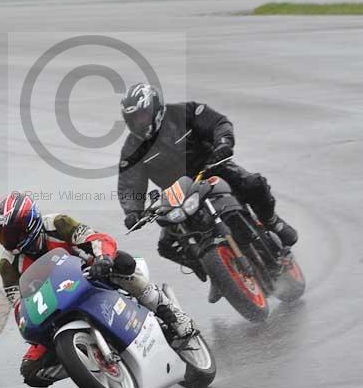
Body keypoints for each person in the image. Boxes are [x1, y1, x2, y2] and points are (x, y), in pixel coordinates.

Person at [0, 191, 195, 388]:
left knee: (123, 262)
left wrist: (103, 258)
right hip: (53, 308)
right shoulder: (7, 265)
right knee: (31, 372)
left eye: (14, 232)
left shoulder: (57, 224)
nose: (10, 240)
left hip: (89, 275)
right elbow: (19, 305)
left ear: (31, 222)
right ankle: (85, 364)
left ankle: (172, 315)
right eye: (3, 235)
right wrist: (30, 326)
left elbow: (96, 238)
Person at [117, 84, 298, 299]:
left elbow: (218, 123)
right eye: (134, 118)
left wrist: (223, 143)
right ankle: (216, 273)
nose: (139, 122)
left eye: (142, 115)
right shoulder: (132, 148)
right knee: (167, 246)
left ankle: (271, 221)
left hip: (213, 169)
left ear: (156, 109)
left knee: (252, 183)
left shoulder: (184, 113)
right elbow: (129, 183)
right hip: (178, 195)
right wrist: (132, 211)